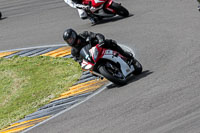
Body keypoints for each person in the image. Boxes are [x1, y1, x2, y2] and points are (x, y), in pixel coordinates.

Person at [63, 28, 134, 64]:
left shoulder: (83, 35)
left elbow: (96, 35)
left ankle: (124, 54)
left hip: (99, 48)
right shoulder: (74, 51)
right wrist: (81, 62)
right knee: (92, 71)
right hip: (92, 59)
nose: (70, 41)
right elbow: (77, 60)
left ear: (74, 35)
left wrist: (100, 40)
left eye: (71, 39)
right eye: (68, 41)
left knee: (110, 42)